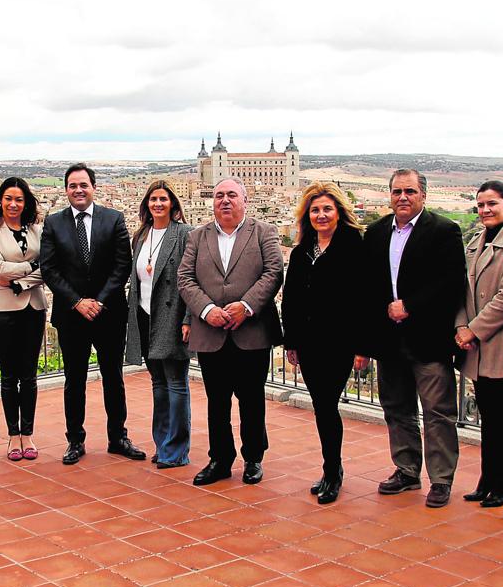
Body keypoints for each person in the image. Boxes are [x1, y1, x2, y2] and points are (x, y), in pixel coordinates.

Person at [363, 169, 465, 507]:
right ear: (389, 195)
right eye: (396, 191)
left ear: (423, 195)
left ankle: (440, 479)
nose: (402, 197)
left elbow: (451, 283)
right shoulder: (376, 233)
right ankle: (406, 470)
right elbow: (370, 286)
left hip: (428, 338)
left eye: (409, 191)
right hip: (389, 340)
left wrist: (410, 306)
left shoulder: (444, 231)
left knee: (437, 411)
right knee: (396, 408)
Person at [178, 177, 283, 486]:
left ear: (244, 201)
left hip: (251, 332)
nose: (224, 200)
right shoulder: (198, 236)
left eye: (231, 195)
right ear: (213, 201)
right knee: (217, 400)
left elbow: (274, 272)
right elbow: (185, 277)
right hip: (211, 333)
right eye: (219, 195)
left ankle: (253, 458)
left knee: (252, 399)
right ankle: (220, 459)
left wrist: (246, 306)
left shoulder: (264, 232)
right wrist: (208, 310)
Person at [40, 163, 144, 465]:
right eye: (72, 186)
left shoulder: (113, 219)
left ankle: (118, 437)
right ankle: (75, 440)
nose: (78, 190)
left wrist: (98, 300)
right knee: (74, 380)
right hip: (72, 315)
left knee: (114, 378)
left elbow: (122, 265)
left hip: (108, 312)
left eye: (83, 185)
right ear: (66, 190)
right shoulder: (54, 222)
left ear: (93, 187)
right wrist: (77, 302)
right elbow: (50, 269)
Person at [282, 181, 367, 504]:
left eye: (327, 209)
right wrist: (291, 341)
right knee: (322, 407)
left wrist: (362, 347)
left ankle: (333, 472)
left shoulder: (354, 247)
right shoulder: (303, 250)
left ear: (338, 213)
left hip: (340, 342)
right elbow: (290, 298)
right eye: (315, 210)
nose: (321, 215)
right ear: (308, 215)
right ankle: (331, 468)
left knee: (327, 406)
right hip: (309, 343)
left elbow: (364, 300)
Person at [454, 181, 503, 508]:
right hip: (476, 344)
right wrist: (460, 326)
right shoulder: (475, 242)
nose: (485, 210)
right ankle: (487, 478)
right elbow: (463, 292)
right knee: (487, 412)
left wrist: (473, 330)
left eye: (492, 204)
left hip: (499, 343)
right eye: (481, 204)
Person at [125, 180, 193, 469]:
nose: (158, 204)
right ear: (146, 204)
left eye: (163, 199)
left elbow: (193, 279)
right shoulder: (141, 236)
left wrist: (189, 318)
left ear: (173, 204)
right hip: (145, 316)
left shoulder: (185, 234)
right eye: (153, 199)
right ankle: (162, 443)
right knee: (158, 384)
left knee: (176, 385)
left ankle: (176, 450)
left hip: (174, 317)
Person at [0, 178, 46, 461]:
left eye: (19, 199)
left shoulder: (38, 230)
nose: (13, 204)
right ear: (0, 201)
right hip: (1, 309)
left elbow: (49, 267)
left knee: (28, 375)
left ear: (26, 203)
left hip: (33, 306)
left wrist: (20, 282)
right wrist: (32, 266)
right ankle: (12, 436)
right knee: (9, 375)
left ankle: (27, 434)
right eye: (8, 198)